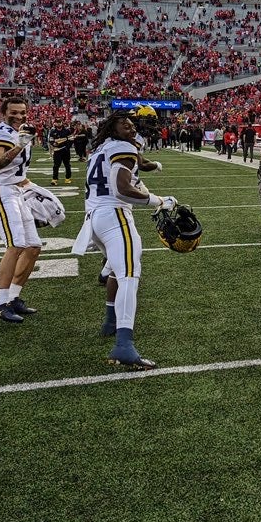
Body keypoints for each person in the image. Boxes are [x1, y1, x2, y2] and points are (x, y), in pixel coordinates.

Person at [74, 111, 175, 368]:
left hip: (94, 218)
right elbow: (122, 189)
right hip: (114, 216)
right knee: (130, 275)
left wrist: (153, 168)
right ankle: (123, 344)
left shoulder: (100, 149)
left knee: (116, 272)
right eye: (125, 126)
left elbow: (137, 166)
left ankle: (110, 321)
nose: (131, 130)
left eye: (132, 126)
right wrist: (159, 202)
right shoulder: (122, 147)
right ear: (112, 129)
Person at [0, 97, 42, 324]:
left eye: (22, 112)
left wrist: (35, 190)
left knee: (33, 247)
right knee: (15, 245)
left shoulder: (20, 132)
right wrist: (19, 145)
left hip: (16, 192)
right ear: (3, 113)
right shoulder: (1, 132)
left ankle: (14, 298)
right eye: (14, 112)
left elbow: (18, 173)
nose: (19, 116)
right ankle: (0, 303)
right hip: (1, 193)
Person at [48, 117, 74, 186]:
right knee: (56, 165)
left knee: (67, 165)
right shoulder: (53, 131)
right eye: (57, 122)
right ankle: (54, 179)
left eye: (59, 122)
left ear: (62, 122)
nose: (58, 123)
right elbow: (51, 140)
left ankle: (68, 178)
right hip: (57, 151)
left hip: (65, 151)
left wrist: (67, 147)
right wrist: (53, 143)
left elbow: (71, 139)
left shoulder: (67, 130)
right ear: (55, 123)